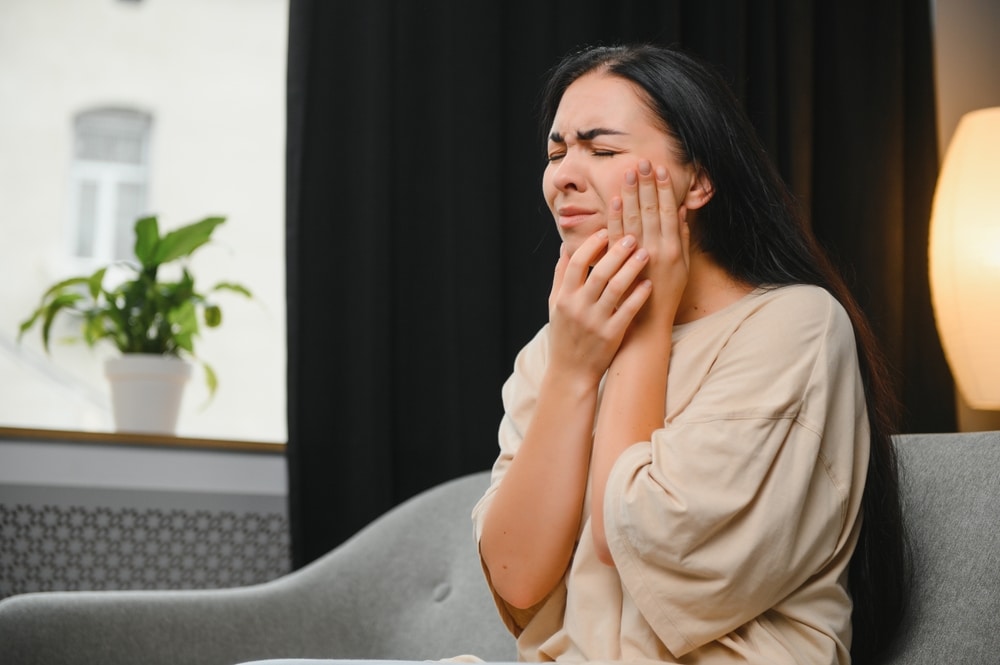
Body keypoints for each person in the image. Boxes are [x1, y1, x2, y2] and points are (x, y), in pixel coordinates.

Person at [473, 44, 906, 664]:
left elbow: (638, 535)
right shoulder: (556, 348)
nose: (563, 174)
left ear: (697, 181)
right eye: (556, 150)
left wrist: (646, 329)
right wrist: (571, 368)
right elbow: (515, 576)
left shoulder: (795, 326)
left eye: (602, 149)